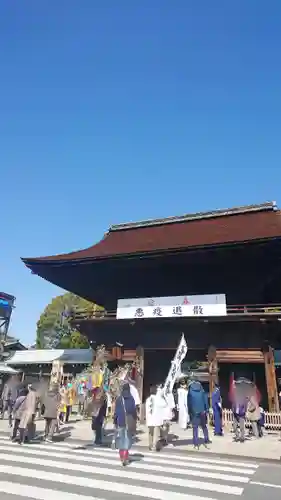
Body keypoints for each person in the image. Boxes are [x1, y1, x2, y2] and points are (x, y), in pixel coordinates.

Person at [114, 383, 137, 466]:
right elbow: (133, 410)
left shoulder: (119, 399)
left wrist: (115, 421)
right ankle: (125, 456)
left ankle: (121, 456)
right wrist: (135, 420)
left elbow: (116, 412)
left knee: (121, 439)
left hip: (120, 421)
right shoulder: (131, 399)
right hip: (128, 422)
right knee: (127, 440)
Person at [188, 378, 210, 449]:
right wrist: (206, 409)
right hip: (202, 411)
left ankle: (196, 443)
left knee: (195, 427)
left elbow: (189, 402)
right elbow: (205, 400)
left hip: (194, 411)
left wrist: (190, 411)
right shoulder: (202, 390)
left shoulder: (190, 390)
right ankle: (206, 439)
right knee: (204, 426)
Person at [145, 385, 163, 451]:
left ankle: (150, 445)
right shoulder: (158, 399)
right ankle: (154, 445)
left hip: (149, 418)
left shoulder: (148, 399)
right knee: (156, 433)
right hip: (156, 419)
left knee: (150, 432)